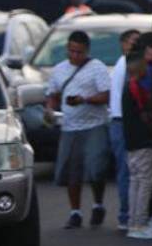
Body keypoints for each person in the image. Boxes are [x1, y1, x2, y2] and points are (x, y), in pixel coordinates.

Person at [46, 30, 112, 229]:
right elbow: (53, 94)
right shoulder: (59, 70)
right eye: (72, 51)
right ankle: (75, 212)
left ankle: (98, 204)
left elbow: (106, 96)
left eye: (79, 52)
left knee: (96, 168)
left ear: (87, 51)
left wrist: (85, 99)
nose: (75, 56)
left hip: (94, 124)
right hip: (69, 126)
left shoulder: (97, 68)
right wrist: (49, 110)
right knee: (71, 170)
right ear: (67, 49)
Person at [122, 49, 152, 239]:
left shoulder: (127, 86)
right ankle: (140, 223)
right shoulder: (136, 88)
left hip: (131, 141)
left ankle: (133, 221)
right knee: (144, 182)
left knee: (135, 181)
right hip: (142, 141)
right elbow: (145, 113)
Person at [108, 28, 140, 230]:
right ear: (123, 43)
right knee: (127, 171)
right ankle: (126, 215)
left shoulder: (127, 63)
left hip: (122, 122)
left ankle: (128, 214)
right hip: (122, 122)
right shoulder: (126, 64)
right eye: (132, 41)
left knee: (131, 171)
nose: (136, 45)